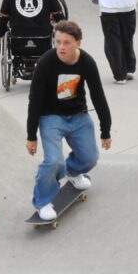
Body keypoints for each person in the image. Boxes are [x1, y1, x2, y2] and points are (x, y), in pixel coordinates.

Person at [26, 21, 112, 221]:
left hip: (78, 116)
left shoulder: (87, 63)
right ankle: (43, 202)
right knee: (53, 161)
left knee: (90, 158)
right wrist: (31, 136)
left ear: (78, 43)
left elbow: (98, 96)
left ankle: (72, 171)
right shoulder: (46, 63)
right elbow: (35, 100)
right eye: (58, 42)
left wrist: (105, 131)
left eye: (67, 43)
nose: (61, 47)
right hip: (51, 117)